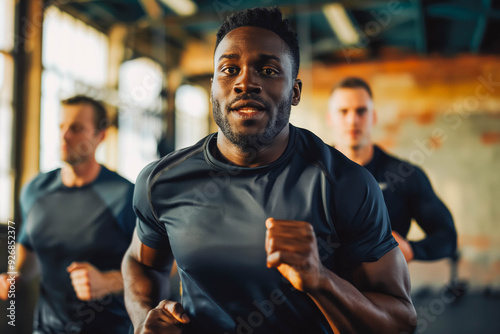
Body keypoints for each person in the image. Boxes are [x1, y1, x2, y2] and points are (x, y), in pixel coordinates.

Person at [122, 7, 416, 334]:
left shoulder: (345, 183)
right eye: (229, 69)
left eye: (268, 70)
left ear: (295, 91)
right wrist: (143, 318)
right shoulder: (161, 181)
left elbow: (400, 321)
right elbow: (140, 262)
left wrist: (321, 280)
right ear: (213, 87)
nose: (246, 82)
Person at [0, 95, 135, 333]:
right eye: (61, 127)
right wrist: (15, 275)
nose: (64, 136)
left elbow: (161, 266)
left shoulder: (125, 195)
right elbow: (28, 248)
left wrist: (108, 282)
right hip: (45, 328)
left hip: (111, 328)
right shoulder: (35, 190)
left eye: (76, 128)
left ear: (99, 136)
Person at [328, 77, 457, 262]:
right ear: (330, 118)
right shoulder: (311, 174)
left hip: (382, 288)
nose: (353, 120)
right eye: (343, 111)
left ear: (373, 116)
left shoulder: (405, 175)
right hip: (324, 288)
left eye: (361, 111)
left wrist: (411, 250)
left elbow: (447, 237)